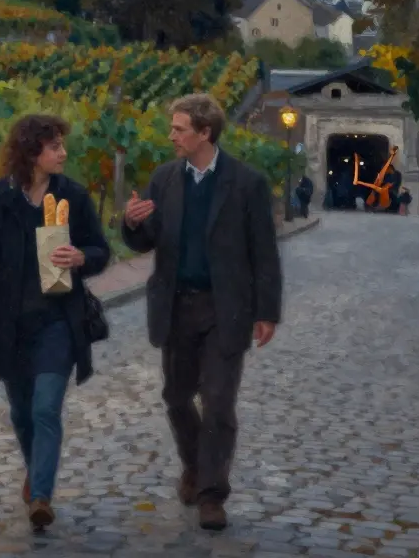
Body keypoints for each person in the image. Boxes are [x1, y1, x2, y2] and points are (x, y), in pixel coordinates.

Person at [121, 93, 283, 531]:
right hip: (176, 306)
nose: (171, 136)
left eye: (179, 129)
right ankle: (195, 464)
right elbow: (145, 239)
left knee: (218, 403)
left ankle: (213, 494)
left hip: (225, 308)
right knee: (176, 397)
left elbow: (264, 253)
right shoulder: (164, 179)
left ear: (204, 133)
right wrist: (133, 222)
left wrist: (267, 312)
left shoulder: (246, 183)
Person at [0, 114, 112, 530]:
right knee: (22, 413)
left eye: (62, 145)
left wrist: (82, 257)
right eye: (55, 147)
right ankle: (35, 474)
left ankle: (41, 494)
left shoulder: (73, 198)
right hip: (7, 326)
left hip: (58, 321)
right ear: (31, 153)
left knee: (46, 408)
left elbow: (101, 249)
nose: (63, 153)